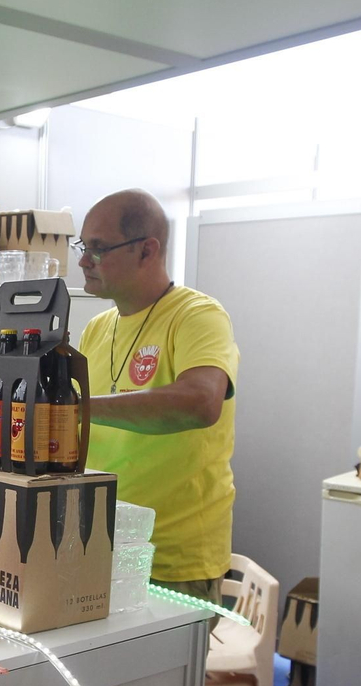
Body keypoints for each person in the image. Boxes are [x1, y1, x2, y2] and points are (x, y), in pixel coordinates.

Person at [75, 189, 239, 605]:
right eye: (83, 247)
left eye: (98, 248)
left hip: (171, 558)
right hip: (97, 544)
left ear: (147, 250)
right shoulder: (97, 328)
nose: (83, 261)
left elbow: (201, 402)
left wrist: (79, 408)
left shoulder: (196, 315)